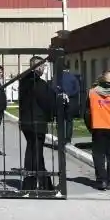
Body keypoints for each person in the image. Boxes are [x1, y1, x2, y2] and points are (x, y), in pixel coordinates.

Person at [18, 56, 57, 189]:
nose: (44, 68)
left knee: (33, 152)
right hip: (37, 122)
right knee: (36, 153)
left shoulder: (23, 81)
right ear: (38, 66)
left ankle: (40, 183)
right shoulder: (39, 83)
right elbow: (47, 102)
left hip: (26, 122)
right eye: (43, 66)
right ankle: (37, 184)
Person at [87, 71, 110, 191]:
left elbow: (86, 113)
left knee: (98, 155)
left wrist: (91, 127)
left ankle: (101, 180)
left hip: (98, 128)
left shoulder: (92, 92)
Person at [58, 68, 82, 145]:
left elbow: (54, 88)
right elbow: (77, 90)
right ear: (68, 69)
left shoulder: (57, 77)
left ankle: (61, 138)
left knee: (61, 120)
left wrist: (62, 94)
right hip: (70, 101)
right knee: (69, 120)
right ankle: (68, 139)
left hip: (60, 101)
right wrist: (68, 94)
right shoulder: (73, 77)